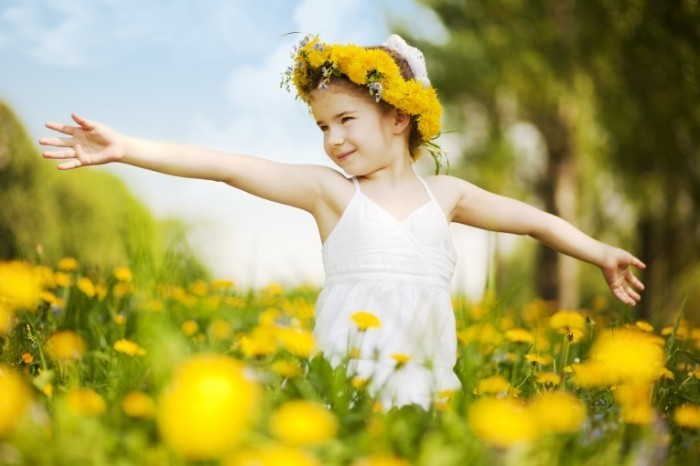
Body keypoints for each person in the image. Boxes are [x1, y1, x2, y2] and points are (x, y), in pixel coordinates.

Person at [39, 34, 645, 410]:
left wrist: (599, 253)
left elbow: (536, 220)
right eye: (322, 126)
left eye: (346, 120)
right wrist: (126, 147)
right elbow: (227, 166)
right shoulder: (330, 194)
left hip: (429, 392)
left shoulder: (449, 196)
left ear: (399, 118)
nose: (332, 139)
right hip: (343, 392)